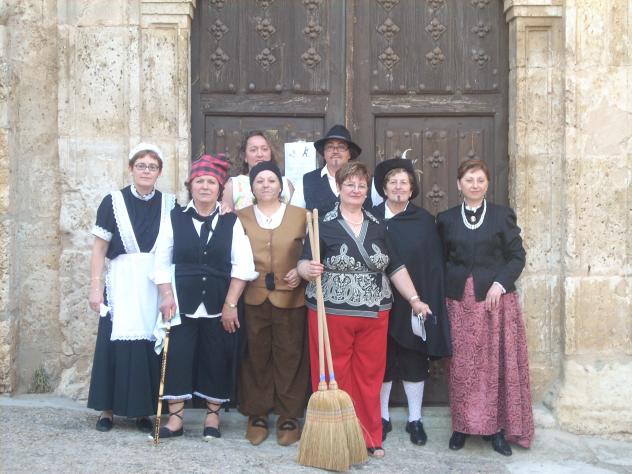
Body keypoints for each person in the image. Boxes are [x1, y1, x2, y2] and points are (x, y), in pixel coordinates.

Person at [297, 162, 432, 459]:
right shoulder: (322, 223)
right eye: (350, 184)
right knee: (335, 375)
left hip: (374, 314)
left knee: (370, 377)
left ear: (367, 190)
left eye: (361, 185)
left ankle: (370, 435)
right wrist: (308, 269)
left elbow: (395, 267)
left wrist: (414, 299)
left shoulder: (378, 225)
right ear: (339, 188)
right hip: (331, 313)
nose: (356, 190)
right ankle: (338, 439)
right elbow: (303, 261)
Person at [153, 153, 258, 440]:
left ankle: (212, 418)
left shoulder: (231, 221)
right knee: (178, 357)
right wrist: (166, 295)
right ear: (190, 185)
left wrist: (230, 304)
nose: (205, 187)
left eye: (211, 182)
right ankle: (176, 420)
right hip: (180, 302)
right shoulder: (174, 218)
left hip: (218, 302)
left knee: (216, 357)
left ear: (220, 188)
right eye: (199, 181)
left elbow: (243, 266)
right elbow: (161, 262)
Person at [437, 158, 534, 456]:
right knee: (461, 366)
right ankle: (461, 427)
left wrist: (500, 284)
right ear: (459, 184)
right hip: (459, 304)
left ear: (487, 183)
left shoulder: (502, 216)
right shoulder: (446, 219)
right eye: (469, 179)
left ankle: (496, 430)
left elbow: (517, 256)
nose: (475, 185)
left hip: (495, 303)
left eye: (480, 179)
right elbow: (440, 260)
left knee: (494, 366)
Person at [87, 143, 176, 433]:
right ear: (131, 168)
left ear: (159, 171)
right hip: (121, 282)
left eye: (152, 166)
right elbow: (99, 248)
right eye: (141, 165)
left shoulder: (170, 203)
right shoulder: (112, 201)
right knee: (113, 345)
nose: (146, 171)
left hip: (154, 282)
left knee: (149, 345)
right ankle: (107, 410)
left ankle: (142, 411)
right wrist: (95, 287)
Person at [371, 157, 452, 446]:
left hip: (413, 301)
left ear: (412, 188)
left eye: (403, 182)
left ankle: (415, 419)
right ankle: (382, 417)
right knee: (381, 360)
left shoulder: (424, 221)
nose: (398, 187)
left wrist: (427, 300)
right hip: (376, 301)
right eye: (392, 182)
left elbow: (433, 264)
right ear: (383, 188)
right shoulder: (369, 217)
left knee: (414, 358)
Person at [236, 161, 309, 447]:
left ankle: (289, 415)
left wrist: (301, 269)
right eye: (260, 181)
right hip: (253, 296)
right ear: (252, 187)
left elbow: (313, 251)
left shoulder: (301, 216)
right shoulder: (240, 217)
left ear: (281, 185)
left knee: (290, 355)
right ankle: (257, 414)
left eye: (271, 180)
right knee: (255, 355)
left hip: (291, 296)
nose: (266, 185)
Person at [291, 124, 362, 214]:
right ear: (324, 154)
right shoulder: (307, 180)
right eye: (330, 147)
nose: (335, 151)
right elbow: (294, 216)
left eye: (341, 147)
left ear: (349, 154)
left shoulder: (365, 182)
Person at [222, 130, 294, 211]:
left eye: (264, 149)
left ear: (271, 153)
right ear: (245, 156)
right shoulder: (233, 185)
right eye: (253, 150)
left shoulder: (286, 184)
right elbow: (226, 215)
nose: (260, 154)